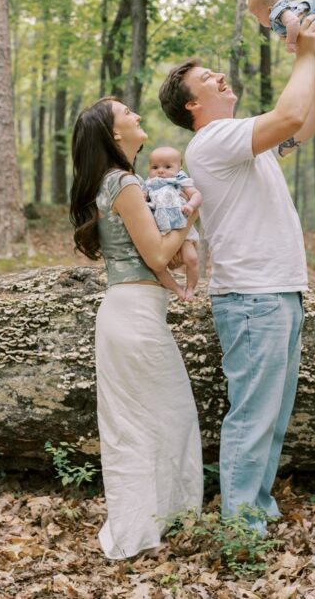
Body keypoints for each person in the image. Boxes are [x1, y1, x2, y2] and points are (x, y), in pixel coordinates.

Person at [157, 14, 315, 535]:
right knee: (253, 418)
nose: (219, 77)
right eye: (206, 77)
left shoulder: (242, 143)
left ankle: (255, 510)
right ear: (193, 105)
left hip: (278, 290)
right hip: (253, 298)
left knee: (271, 419)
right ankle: (240, 532)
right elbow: (289, 111)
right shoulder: (213, 141)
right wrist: (301, 52)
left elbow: (305, 121)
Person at [69, 97, 203, 559]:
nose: (136, 114)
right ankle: (146, 526)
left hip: (129, 311)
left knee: (139, 423)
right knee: (166, 417)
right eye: (125, 112)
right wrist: (192, 214)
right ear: (113, 133)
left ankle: (155, 521)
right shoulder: (124, 182)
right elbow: (159, 255)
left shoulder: (119, 181)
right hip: (133, 314)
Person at [145, 145, 202, 300]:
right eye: (155, 167)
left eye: (167, 167)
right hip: (159, 231)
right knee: (158, 267)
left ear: (179, 168)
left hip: (181, 227)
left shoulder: (179, 179)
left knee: (191, 258)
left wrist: (190, 205)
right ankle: (176, 289)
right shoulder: (149, 183)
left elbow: (196, 194)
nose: (161, 171)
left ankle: (190, 288)